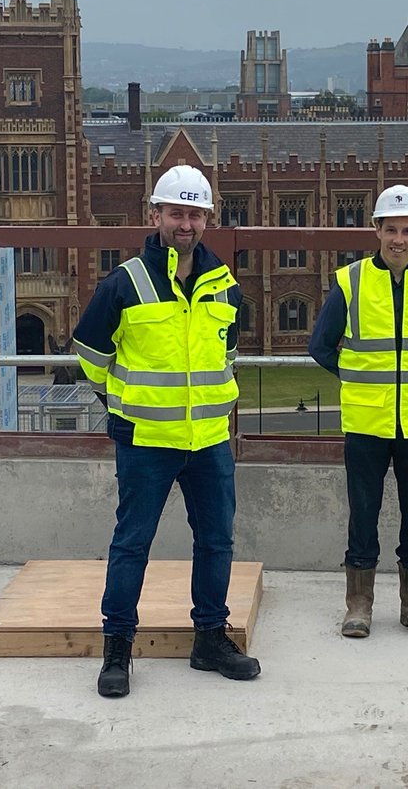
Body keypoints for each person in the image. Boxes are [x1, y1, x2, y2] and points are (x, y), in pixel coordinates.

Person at [73, 164, 260, 698]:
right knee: (132, 544)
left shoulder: (226, 286)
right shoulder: (125, 282)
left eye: (195, 213)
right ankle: (117, 650)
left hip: (208, 442)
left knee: (217, 541)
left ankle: (209, 638)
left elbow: (226, 355)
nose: (186, 223)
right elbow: (88, 350)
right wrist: (121, 402)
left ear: (208, 219)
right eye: (176, 212)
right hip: (146, 441)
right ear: (154, 214)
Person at [308, 184, 408, 640]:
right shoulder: (352, 279)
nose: (398, 239)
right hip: (366, 419)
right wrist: (358, 373)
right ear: (375, 230)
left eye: (407, 230)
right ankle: (358, 605)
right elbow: (320, 346)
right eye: (390, 229)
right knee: (363, 513)